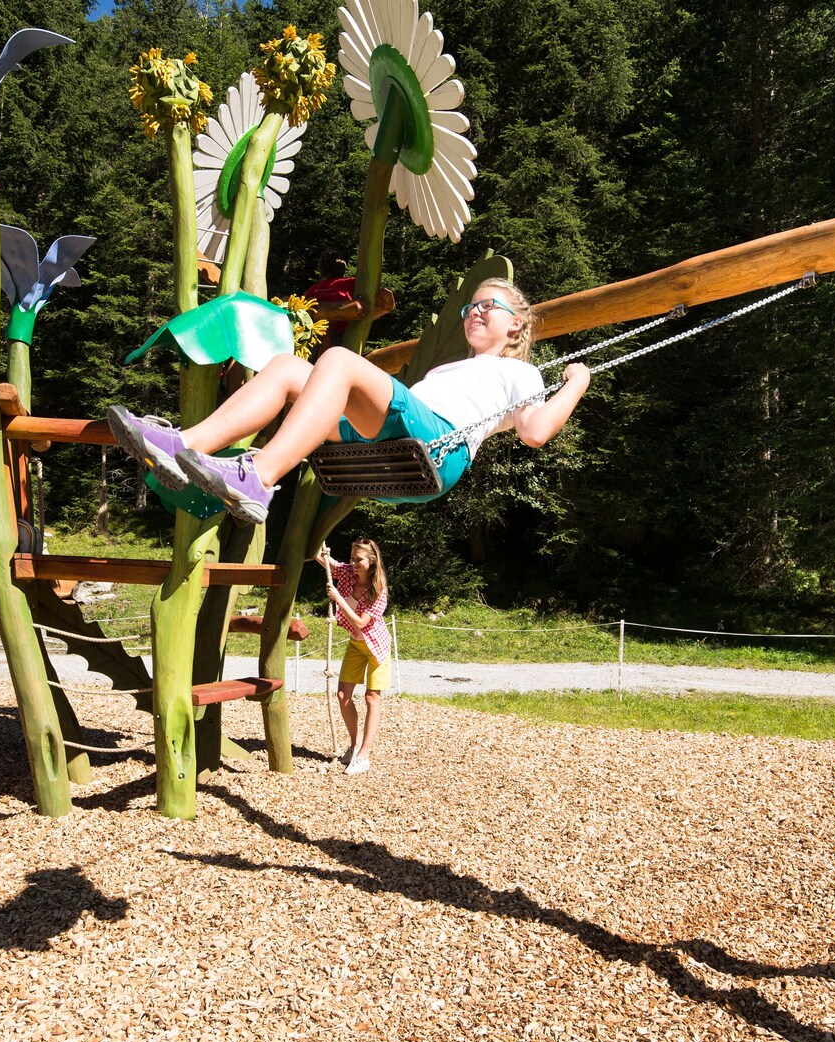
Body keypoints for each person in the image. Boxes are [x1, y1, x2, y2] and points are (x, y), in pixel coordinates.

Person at [107, 278, 591, 523]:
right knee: (289, 368)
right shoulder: (448, 369)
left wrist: (576, 382)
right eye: (471, 306)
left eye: (490, 306)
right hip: (393, 441)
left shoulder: (520, 372)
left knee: (337, 359)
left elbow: (535, 431)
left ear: (516, 325)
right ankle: (181, 446)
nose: (475, 312)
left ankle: (259, 479)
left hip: (439, 444)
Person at [319, 539, 391, 775]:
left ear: (371, 561)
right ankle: (354, 744)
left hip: (376, 646)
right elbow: (324, 561)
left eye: (359, 559)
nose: (354, 564)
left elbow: (360, 622)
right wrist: (316, 545)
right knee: (343, 696)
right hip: (356, 644)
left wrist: (338, 598)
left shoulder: (379, 590)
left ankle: (364, 755)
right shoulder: (348, 572)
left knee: (372, 698)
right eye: (352, 558)